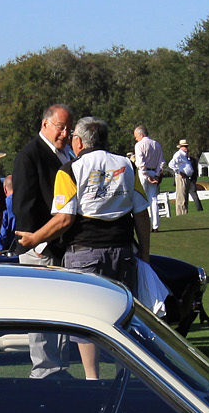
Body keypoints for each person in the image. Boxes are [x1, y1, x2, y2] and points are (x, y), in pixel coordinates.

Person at [16, 116, 151, 380]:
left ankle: (92, 377)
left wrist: (34, 239)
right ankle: (124, 375)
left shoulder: (69, 170)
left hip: (84, 252)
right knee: (121, 316)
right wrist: (144, 252)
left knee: (88, 317)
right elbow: (142, 214)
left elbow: (64, 219)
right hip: (122, 250)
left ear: (78, 141)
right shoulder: (126, 165)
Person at [11, 104, 73, 268]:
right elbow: (23, 206)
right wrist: (38, 244)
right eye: (60, 128)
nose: (65, 134)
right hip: (41, 252)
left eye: (69, 129)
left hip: (63, 247)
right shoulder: (29, 156)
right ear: (45, 124)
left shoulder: (68, 154)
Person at [170, 140, 202, 215]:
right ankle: (180, 214)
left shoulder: (185, 156)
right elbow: (171, 164)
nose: (186, 148)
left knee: (185, 197)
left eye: (186, 146)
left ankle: (185, 213)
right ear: (181, 147)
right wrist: (179, 172)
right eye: (184, 146)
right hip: (181, 177)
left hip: (186, 177)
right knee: (181, 197)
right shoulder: (178, 154)